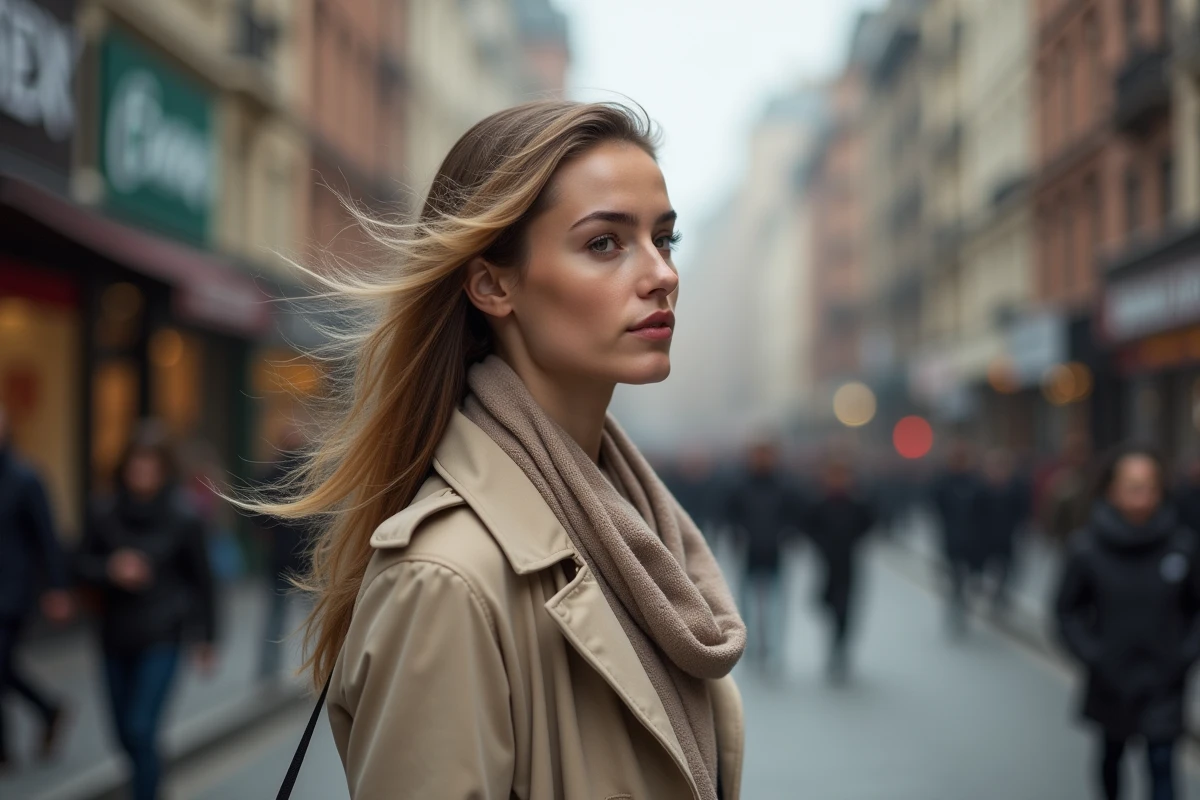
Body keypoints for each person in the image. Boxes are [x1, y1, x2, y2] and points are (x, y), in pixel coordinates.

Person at [250, 101, 747, 799]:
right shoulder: (444, 581)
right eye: (605, 242)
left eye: (665, 239)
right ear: (491, 284)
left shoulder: (638, 533)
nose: (661, 273)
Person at [76, 422, 217, 800]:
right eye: (136, 466)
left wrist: (207, 638)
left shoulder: (184, 517)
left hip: (163, 634)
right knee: (123, 735)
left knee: (141, 728)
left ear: (164, 471)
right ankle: (152, 778)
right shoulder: (103, 511)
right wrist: (111, 568)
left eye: (150, 467)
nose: (142, 475)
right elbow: (78, 564)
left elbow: (203, 582)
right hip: (114, 635)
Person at [1055, 445, 1200, 800]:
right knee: (1111, 758)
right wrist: (1094, 655)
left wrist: (1184, 656)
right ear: (1111, 489)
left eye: (1150, 486)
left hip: (1164, 680)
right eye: (1132, 486)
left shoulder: (1181, 547)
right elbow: (1066, 612)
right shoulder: (1086, 549)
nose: (1142, 495)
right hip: (1110, 678)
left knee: (1163, 764)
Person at [0, 403, 72, 769]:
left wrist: (57, 588)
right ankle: (48, 709)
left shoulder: (26, 478)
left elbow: (47, 537)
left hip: (11, 593)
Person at [724, 440, 801, 673]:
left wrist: (787, 536)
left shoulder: (785, 486)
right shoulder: (740, 485)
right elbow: (730, 514)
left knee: (776, 606)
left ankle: (774, 649)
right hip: (750, 553)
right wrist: (737, 536)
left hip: (775, 554)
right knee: (747, 605)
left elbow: (795, 516)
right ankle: (753, 647)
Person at [803, 456, 875, 683]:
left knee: (845, 610)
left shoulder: (857, 504)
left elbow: (868, 523)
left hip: (848, 564)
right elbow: (808, 526)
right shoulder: (820, 503)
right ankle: (835, 642)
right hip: (827, 564)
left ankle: (839, 649)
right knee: (825, 602)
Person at [255, 425, 311, 679]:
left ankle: (268, 671)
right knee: (316, 617)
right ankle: (324, 664)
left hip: (281, 557)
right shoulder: (310, 473)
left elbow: (258, 519)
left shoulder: (270, 473)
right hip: (306, 558)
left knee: (275, 617)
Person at [931, 440, 986, 637]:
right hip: (952, 538)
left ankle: (961, 606)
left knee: (969, 577)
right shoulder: (944, 482)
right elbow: (936, 507)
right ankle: (955, 608)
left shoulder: (975, 483)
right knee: (955, 578)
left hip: (972, 540)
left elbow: (982, 511)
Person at [978, 449, 1030, 615]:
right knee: (989, 565)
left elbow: (1022, 510)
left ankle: (1000, 593)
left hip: (1007, 535)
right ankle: (991, 590)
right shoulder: (982, 487)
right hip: (986, 536)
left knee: (1007, 567)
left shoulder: (1016, 487)